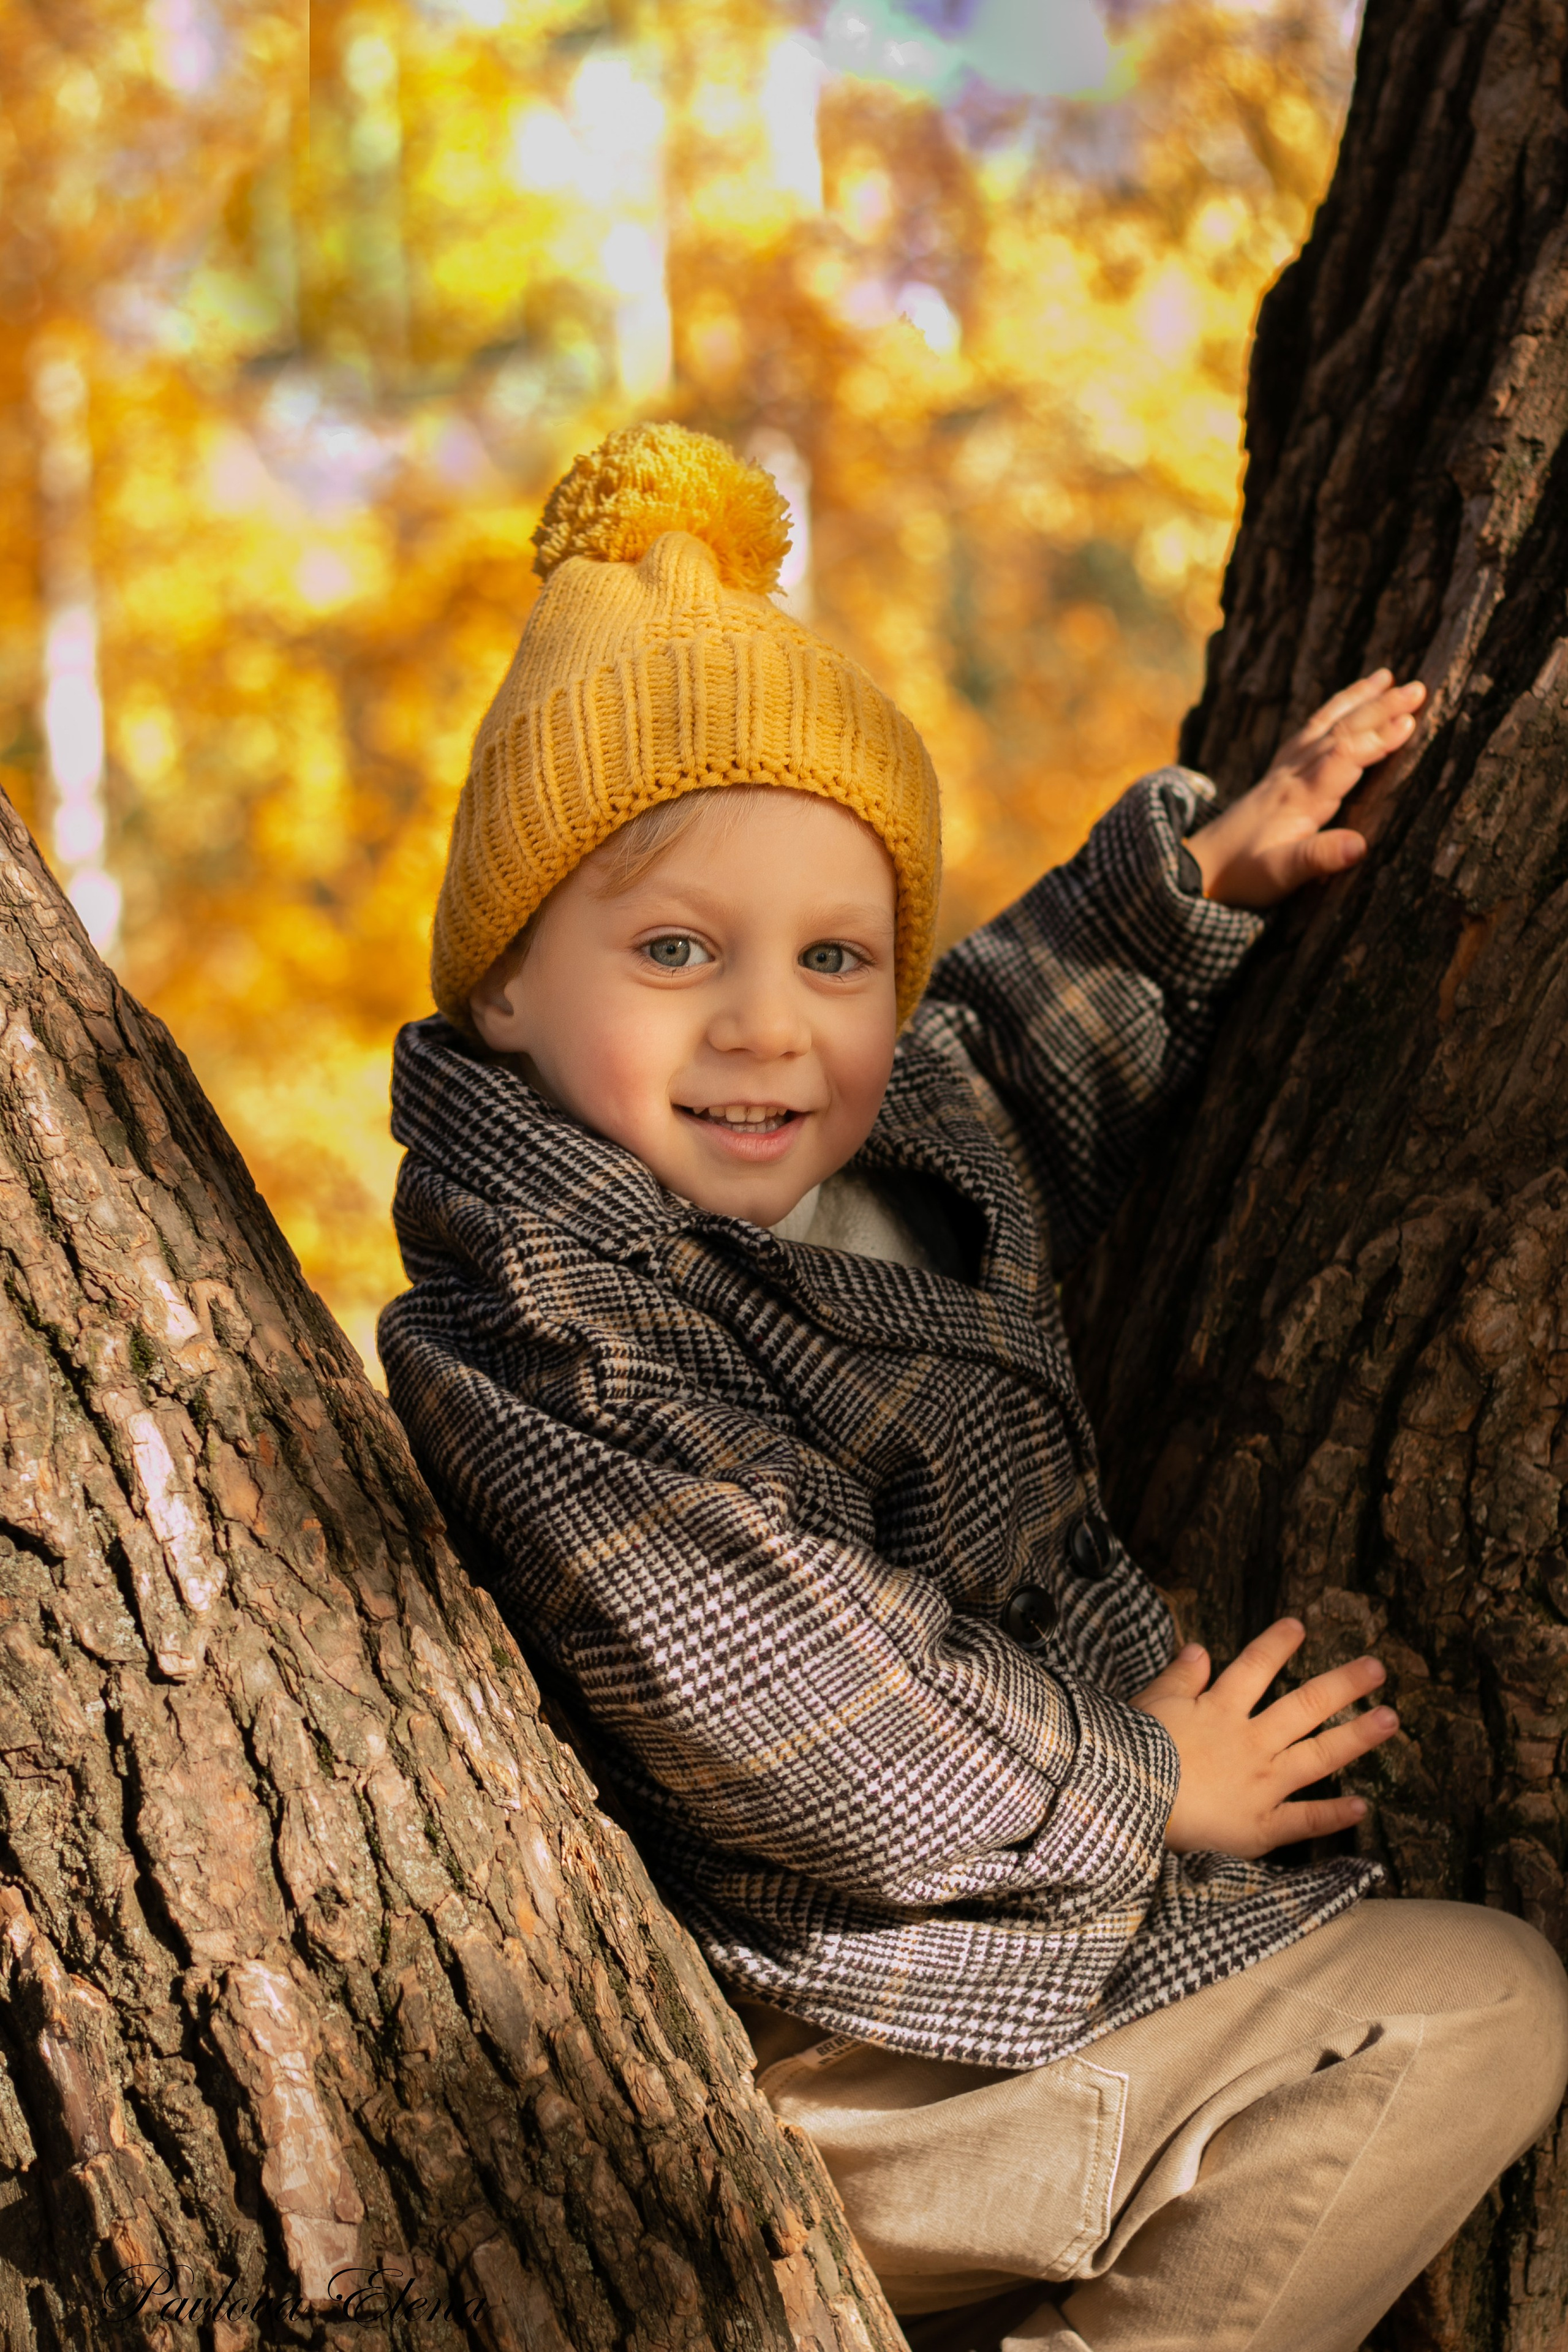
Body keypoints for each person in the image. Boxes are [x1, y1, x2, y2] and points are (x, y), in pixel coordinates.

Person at [379, 422, 1568, 2352]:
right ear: (506, 983)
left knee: (1455, 2007)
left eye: (834, 953)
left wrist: (1192, 883)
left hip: (1012, 1955)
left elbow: (1010, 1044)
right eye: (676, 949)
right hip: (858, 2039)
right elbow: (796, 1693)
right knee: (1468, 2010)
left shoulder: (881, 1123)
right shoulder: (556, 1322)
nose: (768, 1022)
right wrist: (1144, 1785)